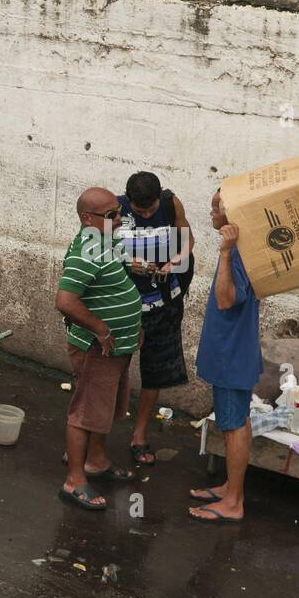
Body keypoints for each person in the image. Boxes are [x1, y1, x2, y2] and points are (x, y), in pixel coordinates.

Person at [55, 187, 144, 510]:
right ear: (87, 219)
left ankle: (97, 460)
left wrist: (134, 325)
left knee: (103, 408)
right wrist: (101, 329)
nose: (119, 219)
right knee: (85, 412)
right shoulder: (86, 251)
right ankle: (74, 481)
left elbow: (118, 285)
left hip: (117, 345)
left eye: (119, 212)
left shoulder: (104, 243)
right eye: (111, 215)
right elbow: (65, 300)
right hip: (97, 349)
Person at [189, 191, 262, 523]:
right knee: (236, 421)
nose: (211, 212)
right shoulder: (245, 252)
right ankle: (230, 489)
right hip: (233, 353)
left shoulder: (236, 255)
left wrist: (224, 251)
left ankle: (233, 503)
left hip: (232, 356)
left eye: (216, 207)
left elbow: (226, 300)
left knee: (233, 427)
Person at [116, 171, 195, 466]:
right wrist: (128, 263)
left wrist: (173, 263)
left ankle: (139, 435)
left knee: (155, 373)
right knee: (113, 370)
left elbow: (188, 242)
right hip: (126, 307)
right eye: (141, 210)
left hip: (164, 306)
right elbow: (97, 254)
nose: (148, 213)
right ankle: (92, 436)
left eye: (151, 209)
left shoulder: (171, 203)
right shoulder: (114, 210)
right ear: (129, 200)